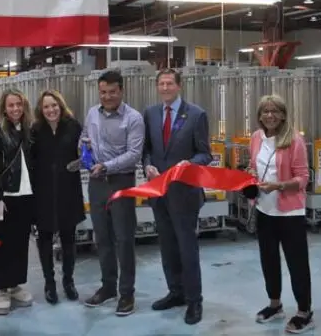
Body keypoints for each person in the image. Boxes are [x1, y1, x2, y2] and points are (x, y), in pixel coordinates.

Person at [142, 68, 212, 325]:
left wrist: (188, 163)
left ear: (179, 86)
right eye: (161, 83)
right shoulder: (150, 114)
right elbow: (146, 149)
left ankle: (195, 301)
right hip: (159, 194)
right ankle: (176, 292)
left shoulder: (196, 115)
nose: (165, 87)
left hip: (184, 194)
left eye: (170, 83)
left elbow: (206, 154)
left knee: (187, 249)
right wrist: (147, 165)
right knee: (167, 247)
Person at [248, 94, 314, 334]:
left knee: (297, 263)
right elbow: (253, 166)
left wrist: (279, 186)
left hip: (290, 212)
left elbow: (303, 178)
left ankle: (305, 311)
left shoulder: (294, 140)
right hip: (264, 209)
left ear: (283, 114)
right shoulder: (256, 138)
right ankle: (275, 304)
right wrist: (250, 178)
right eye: (265, 111)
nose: (269, 115)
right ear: (259, 115)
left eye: (274, 111)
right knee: (269, 260)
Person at [81, 70, 145, 316]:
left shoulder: (133, 118)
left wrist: (106, 165)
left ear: (121, 91)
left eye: (112, 92)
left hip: (121, 182)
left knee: (124, 239)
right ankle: (108, 287)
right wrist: (84, 151)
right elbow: (85, 138)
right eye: (103, 92)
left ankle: (126, 293)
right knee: (103, 238)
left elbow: (134, 154)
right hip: (96, 184)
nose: (107, 97)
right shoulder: (91, 114)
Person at [0, 89, 36, 315]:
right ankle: (1, 289)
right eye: (11, 105)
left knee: (20, 243)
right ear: (4, 108)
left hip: (25, 195)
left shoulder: (28, 131)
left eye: (19, 105)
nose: (15, 109)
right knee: (1, 244)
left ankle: (15, 284)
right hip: (4, 197)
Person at [31, 90, 85, 304]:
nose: (51, 110)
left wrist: (82, 161)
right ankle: (49, 283)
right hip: (42, 192)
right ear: (41, 110)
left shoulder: (73, 126)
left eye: (54, 105)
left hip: (68, 190)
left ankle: (68, 281)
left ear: (60, 106)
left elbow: (84, 152)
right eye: (46, 107)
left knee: (68, 240)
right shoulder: (35, 130)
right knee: (43, 239)